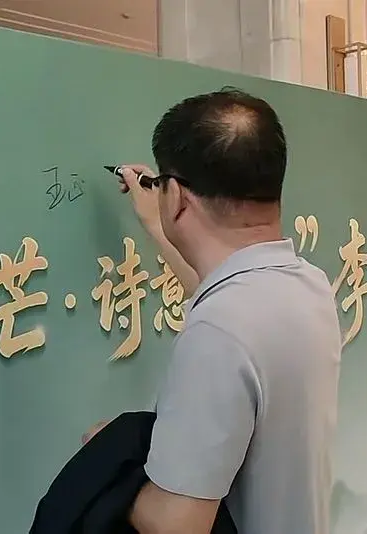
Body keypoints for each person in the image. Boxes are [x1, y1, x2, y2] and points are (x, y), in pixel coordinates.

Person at [86, 87, 342, 533]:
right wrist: (156, 223)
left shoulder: (219, 330)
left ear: (177, 196)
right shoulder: (306, 285)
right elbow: (218, 293)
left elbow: (175, 525)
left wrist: (105, 456)